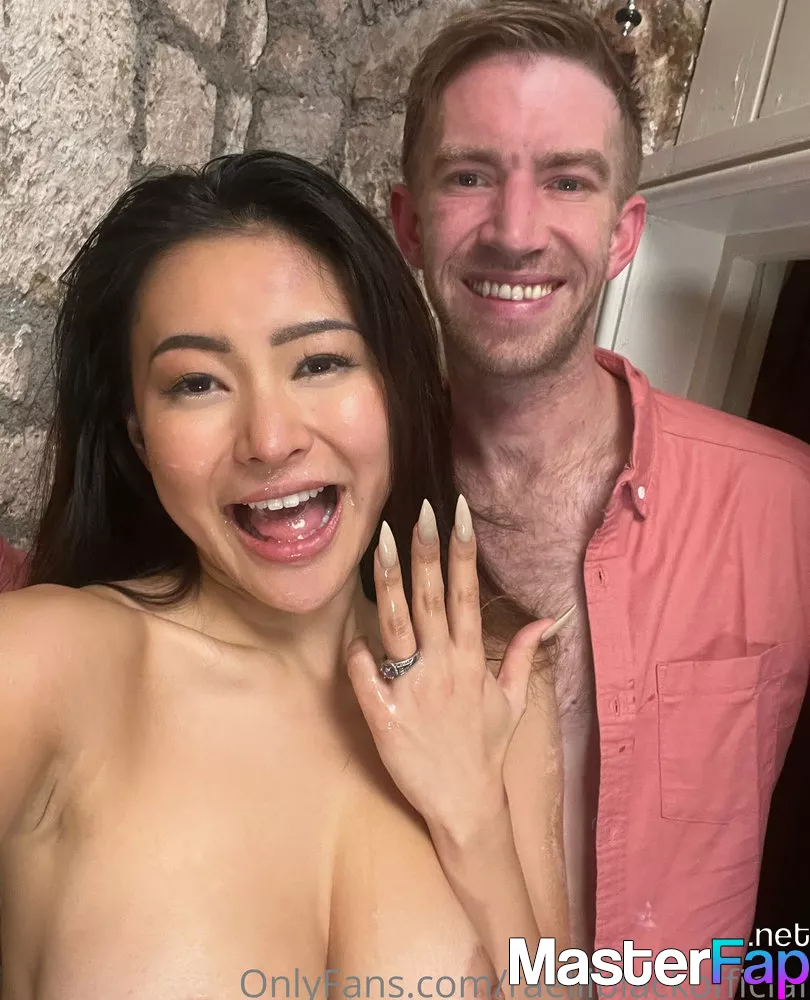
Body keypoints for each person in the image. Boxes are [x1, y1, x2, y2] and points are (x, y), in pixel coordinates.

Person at [0, 151, 572, 998]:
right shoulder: (43, 664)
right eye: (198, 383)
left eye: (319, 363)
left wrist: (475, 821)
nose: (270, 440)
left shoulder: (496, 680)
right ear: (138, 434)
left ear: (397, 385)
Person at [390, 0, 810, 958]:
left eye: (567, 181)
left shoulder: (786, 510)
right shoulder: (338, 517)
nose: (516, 230)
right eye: (470, 175)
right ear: (409, 224)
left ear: (624, 233)